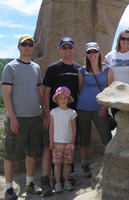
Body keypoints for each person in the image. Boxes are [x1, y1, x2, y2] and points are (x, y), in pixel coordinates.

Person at [2, 34, 43, 200]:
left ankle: (30, 184)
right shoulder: (10, 67)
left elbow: (38, 91)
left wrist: (45, 112)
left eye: (30, 44)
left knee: (32, 153)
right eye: (24, 44)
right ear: (18, 47)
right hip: (18, 117)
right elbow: (6, 94)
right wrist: (12, 117)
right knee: (11, 154)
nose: (27, 47)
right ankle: (9, 188)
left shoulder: (36, 67)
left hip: (35, 116)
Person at [41, 37, 80, 195]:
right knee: (54, 144)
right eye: (64, 47)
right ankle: (54, 179)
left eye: (69, 47)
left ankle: (67, 177)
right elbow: (46, 92)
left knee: (69, 143)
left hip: (72, 113)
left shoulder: (78, 69)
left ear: (73, 49)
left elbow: (80, 90)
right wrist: (45, 112)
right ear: (60, 50)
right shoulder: (53, 68)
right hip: (55, 114)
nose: (67, 50)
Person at [77, 42, 113, 177]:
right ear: (86, 54)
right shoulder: (81, 70)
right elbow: (80, 89)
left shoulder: (108, 70)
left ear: (99, 53)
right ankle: (85, 164)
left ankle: (108, 164)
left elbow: (111, 89)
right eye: (89, 52)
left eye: (94, 52)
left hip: (100, 108)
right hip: (83, 108)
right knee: (84, 138)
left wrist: (105, 106)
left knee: (106, 137)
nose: (92, 54)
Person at [105, 29, 129, 116]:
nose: (126, 41)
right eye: (123, 38)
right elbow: (105, 78)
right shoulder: (109, 56)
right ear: (119, 40)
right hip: (115, 96)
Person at [49, 86, 77, 193]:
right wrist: (51, 141)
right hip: (57, 142)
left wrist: (73, 142)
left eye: (65, 98)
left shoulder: (72, 112)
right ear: (56, 99)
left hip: (68, 142)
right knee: (57, 163)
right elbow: (51, 127)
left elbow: (74, 128)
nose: (63, 100)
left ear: (69, 99)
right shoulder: (53, 112)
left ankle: (67, 181)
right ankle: (57, 182)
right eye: (60, 98)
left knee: (67, 163)